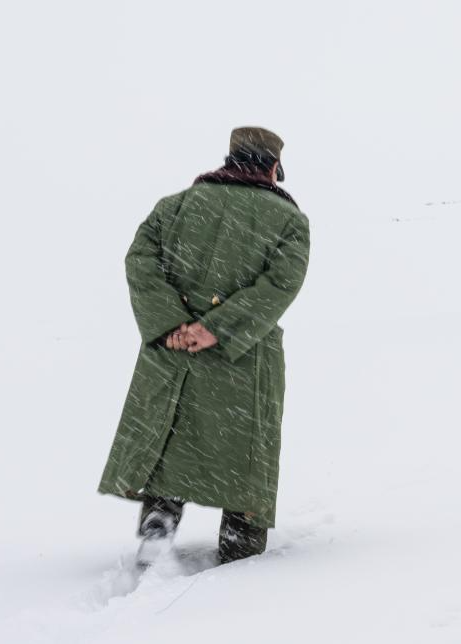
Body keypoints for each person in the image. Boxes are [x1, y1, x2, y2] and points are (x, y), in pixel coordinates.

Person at [97, 126, 310, 565]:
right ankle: (240, 546)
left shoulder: (175, 206)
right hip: (244, 356)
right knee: (245, 453)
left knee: (171, 438)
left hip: (172, 351)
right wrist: (218, 329)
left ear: (231, 159)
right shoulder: (290, 220)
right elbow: (280, 284)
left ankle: (158, 526)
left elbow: (140, 261)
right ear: (272, 167)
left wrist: (171, 323)